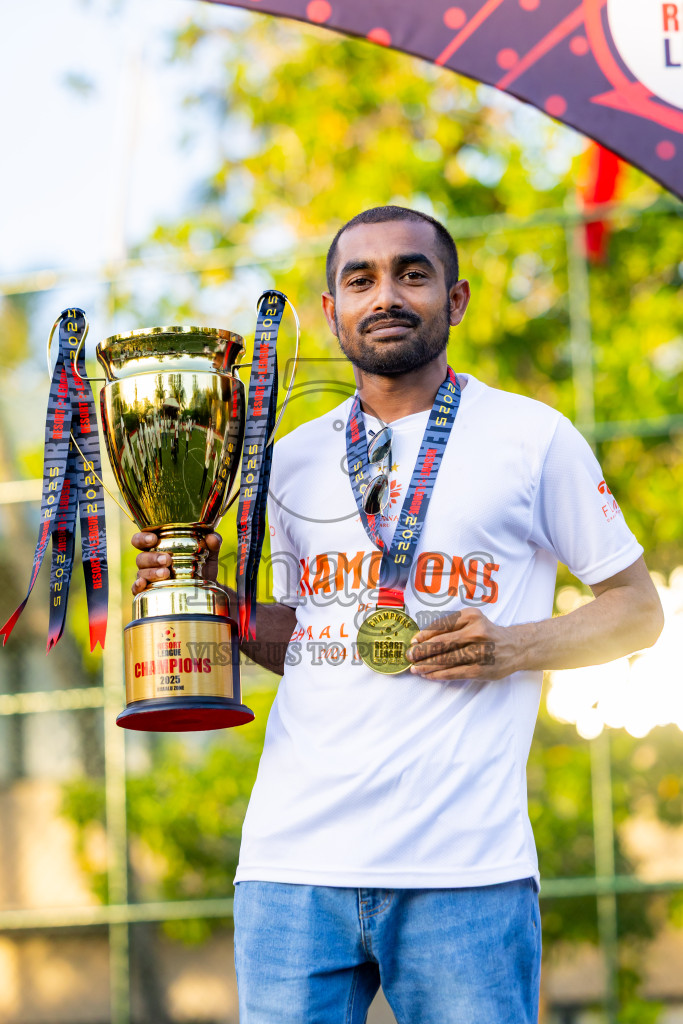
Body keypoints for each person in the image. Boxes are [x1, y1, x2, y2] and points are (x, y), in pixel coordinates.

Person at [132, 207, 663, 1024]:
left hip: (465, 873)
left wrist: (511, 645)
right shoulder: (290, 458)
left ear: (455, 300)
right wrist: (214, 604)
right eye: (361, 279)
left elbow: (637, 610)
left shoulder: (532, 437)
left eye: (411, 274)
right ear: (331, 307)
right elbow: (313, 640)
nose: (386, 295)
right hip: (290, 865)